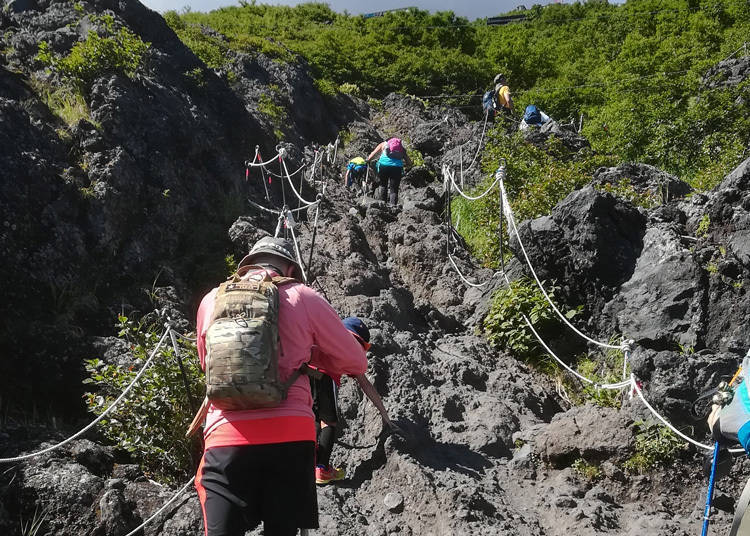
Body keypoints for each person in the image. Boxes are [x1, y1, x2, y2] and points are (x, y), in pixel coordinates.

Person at [193, 236, 368, 536]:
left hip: (225, 438)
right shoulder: (304, 296)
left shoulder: (211, 301)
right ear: (289, 268)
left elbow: (206, 363)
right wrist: (312, 353)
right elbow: (356, 362)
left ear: (246, 267)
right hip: (291, 438)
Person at [311, 317, 396, 485]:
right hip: (326, 380)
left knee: (311, 419)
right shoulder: (351, 353)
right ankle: (321, 469)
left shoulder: (327, 336)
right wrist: (385, 416)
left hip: (305, 374)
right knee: (328, 423)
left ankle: (308, 464)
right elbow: (366, 385)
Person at [367, 138, 412, 206]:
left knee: (383, 185)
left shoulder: (383, 144)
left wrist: (368, 160)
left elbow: (372, 155)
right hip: (397, 168)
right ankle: (393, 207)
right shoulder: (401, 148)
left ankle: (383, 205)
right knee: (394, 189)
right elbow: (409, 162)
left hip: (384, 166)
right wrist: (406, 165)